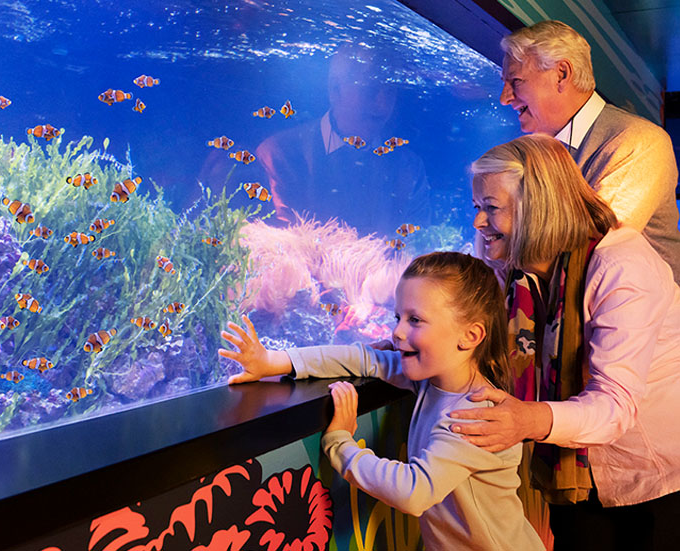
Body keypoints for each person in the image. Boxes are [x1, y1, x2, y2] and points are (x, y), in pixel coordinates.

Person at [220, 252, 545, 551]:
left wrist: (341, 444)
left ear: (470, 336)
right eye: (397, 317)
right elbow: (363, 359)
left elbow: (415, 491)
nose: (397, 333)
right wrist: (274, 362)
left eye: (415, 320)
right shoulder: (431, 382)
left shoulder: (474, 414)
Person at [453, 133, 680, 550]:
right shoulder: (515, 267)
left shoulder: (620, 266)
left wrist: (525, 420)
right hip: (575, 480)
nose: (478, 224)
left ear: (538, 205)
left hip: (654, 480)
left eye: (491, 209)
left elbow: (613, 405)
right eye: (476, 208)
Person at [498, 20, 680, 284]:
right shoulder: (542, 153)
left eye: (515, 80)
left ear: (561, 73)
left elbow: (590, 248)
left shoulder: (640, 141)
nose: (504, 98)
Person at [254, 43, 431, 234]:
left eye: (390, 90)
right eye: (371, 88)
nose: (382, 102)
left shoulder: (409, 167)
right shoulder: (279, 154)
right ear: (334, 90)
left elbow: (421, 244)